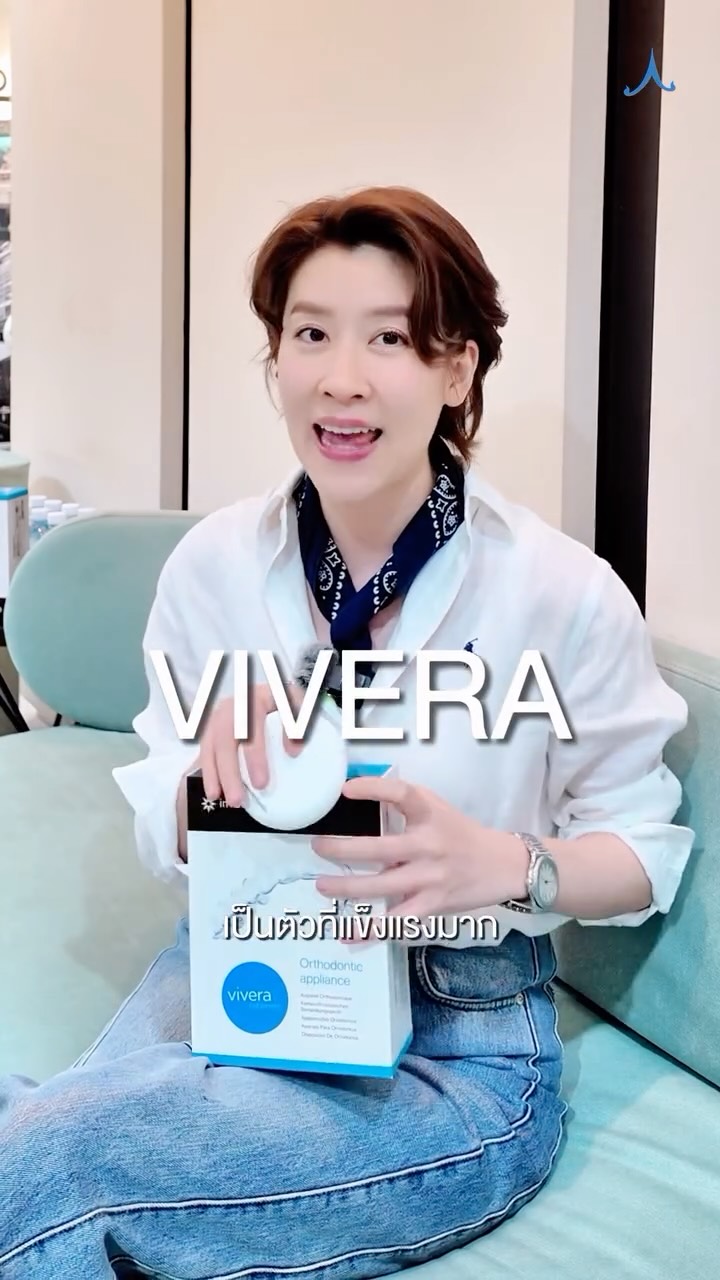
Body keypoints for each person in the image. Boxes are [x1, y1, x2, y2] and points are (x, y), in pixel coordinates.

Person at [0, 186, 694, 1279]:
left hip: (457, 1037)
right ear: (276, 358)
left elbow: (644, 850)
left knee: (62, 1157)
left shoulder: (561, 592)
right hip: (245, 961)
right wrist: (210, 791)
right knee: (41, 1151)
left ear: (457, 369)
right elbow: (161, 819)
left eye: (391, 339)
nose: (341, 377)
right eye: (311, 334)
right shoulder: (216, 570)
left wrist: (507, 864)